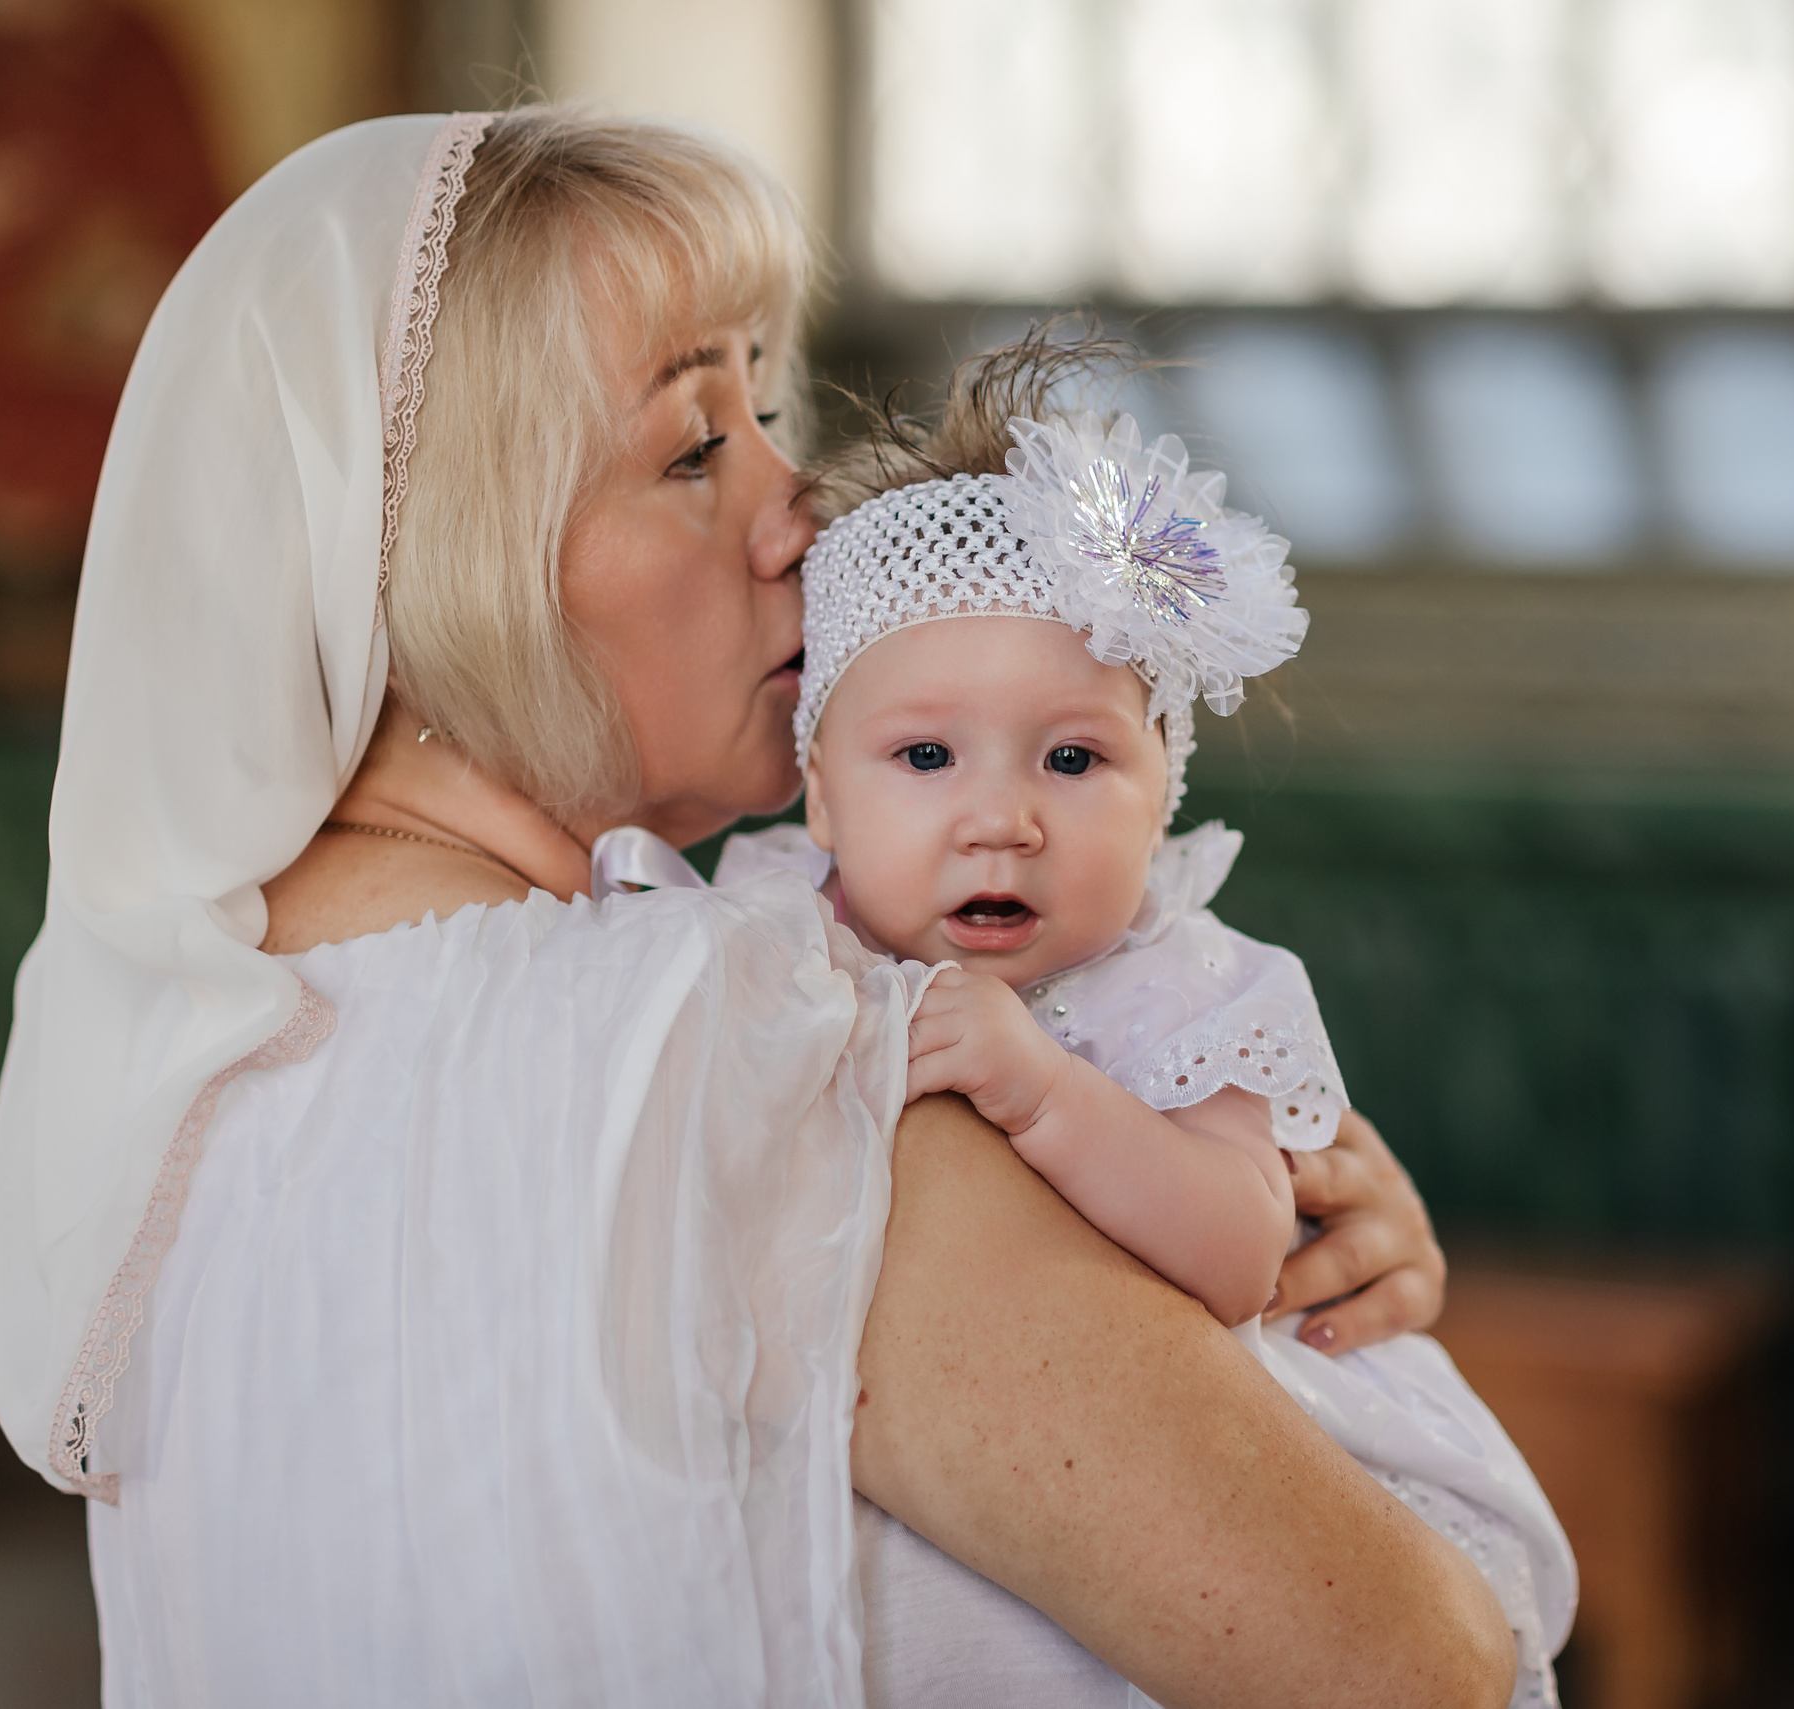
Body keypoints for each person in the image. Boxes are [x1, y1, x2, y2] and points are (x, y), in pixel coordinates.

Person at [0, 108, 1516, 1707]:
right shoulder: (742, 1055)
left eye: (768, 411)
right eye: (696, 445)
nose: (803, 508)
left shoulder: (172, 1078)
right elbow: (1419, 1664)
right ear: (444, 557)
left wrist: (1244, 1224)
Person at [599, 338, 1574, 1704]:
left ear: (1163, 783)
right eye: (925, 756)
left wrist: (1047, 1092)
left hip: (1239, 1473)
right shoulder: (775, 925)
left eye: (1074, 756)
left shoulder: (1193, 984)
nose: (1002, 815)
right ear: (819, 794)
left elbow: (1242, 1249)